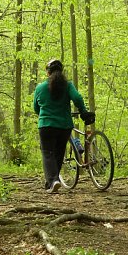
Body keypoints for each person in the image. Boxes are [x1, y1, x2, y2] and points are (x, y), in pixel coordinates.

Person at [33, 58, 90, 193]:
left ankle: (53, 181)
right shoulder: (68, 85)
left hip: (46, 125)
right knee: (58, 153)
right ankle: (54, 181)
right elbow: (77, 98)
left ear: (48, 72)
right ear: (61, 71)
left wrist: (44, 113)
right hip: (64, 125)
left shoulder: (40, 88)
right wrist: (83, 112)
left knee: (48, 153)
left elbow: (36, 108)